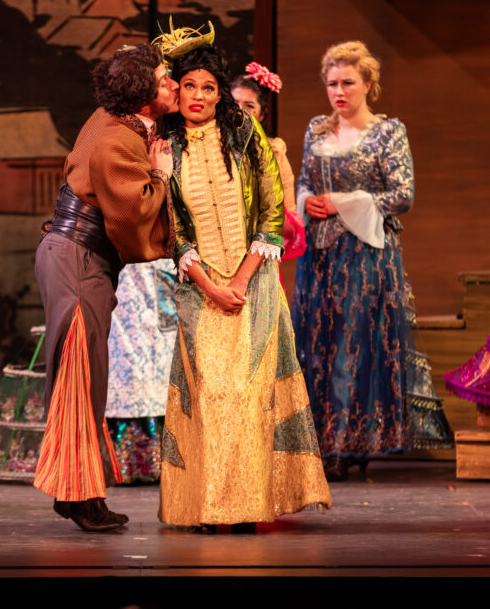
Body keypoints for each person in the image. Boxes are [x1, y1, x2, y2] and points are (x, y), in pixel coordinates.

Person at [154, 30, 331, 532]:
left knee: (250, 393)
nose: (199, 96)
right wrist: (211, 286)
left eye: (209, 87)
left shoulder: (246, 135)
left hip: (253, 283)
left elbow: (273, 208)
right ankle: (207, 507)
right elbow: (172, 225)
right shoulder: (165, 144)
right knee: (209, 394)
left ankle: (250, 503)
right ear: (179, 90)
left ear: (219, 94)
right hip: (198, 288)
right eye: (190, 86)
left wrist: (243, 278)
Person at [34, 44, 176, 532]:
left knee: (86, 379)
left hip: (76, 258)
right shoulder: (117, 139)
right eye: (164, 80)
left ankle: (76, 491)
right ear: (141, 95)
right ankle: (81, 495)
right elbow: (133, 210)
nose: (174, 85)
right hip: (77, 259)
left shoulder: (115, 120)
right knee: (79, 378)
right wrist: (161, 174)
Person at [291, 41, 415, 481]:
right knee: (317, 344)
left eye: (347, 83)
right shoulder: (316, 130)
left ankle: (350, 441)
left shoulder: (386, 132)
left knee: (353, 346)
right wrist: (309, 202)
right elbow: (303, 181)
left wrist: (344, 202)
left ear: (367, 84)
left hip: (365, 255)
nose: (338, 92)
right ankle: (319, 440)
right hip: (321, 255)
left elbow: (403, 195)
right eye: (331, 84)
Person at [104, 256, 177, 484]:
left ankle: (163, 459)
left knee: (161, 362)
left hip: (160, 275)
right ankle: (124, 462)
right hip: (125, 278)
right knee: (126, 362)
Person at [232, 64, 306, 270]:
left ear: (262, 114)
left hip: (259, 254)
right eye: (234, 103)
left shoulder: (274, 152)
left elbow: (290, 222)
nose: (239, 112)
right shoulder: (207, 146)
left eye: (249, 106)